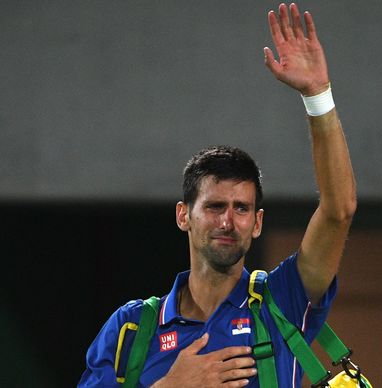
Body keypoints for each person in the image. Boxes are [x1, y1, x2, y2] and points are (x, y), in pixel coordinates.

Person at [78, 3, 356, 387]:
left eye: (242, 208)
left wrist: (318, 96)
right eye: (214, 206)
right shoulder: (131, 328)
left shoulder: (284, 301)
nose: (228, 220)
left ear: (257, 223)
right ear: (183, 215)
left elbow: (338, 211)